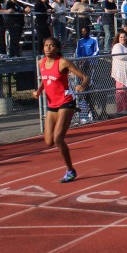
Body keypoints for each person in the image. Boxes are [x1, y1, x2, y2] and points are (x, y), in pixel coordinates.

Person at [33, 37, 88, 183]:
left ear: (57, 48)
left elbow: (85, 77)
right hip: (52, 104)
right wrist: (39, 91)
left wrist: (82, 86)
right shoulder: (41, 62)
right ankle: (69, 166)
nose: (48, 48)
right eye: (46, 45)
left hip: (66, 101)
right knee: (49, 141)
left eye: (51, 46)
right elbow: (46, 79)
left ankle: (70, 170)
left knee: (58, 138)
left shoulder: (62, 62)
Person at [74, 26, 100, 123]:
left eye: (85, 31)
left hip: (92, 65)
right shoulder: (80, 41)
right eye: (82, 31)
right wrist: (81, 60)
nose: (83, 33)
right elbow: (78, 53)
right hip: (82, 66)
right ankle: (84, 114)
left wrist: (88, 59)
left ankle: (92, 112)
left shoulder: (94, 39)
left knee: (90, 88)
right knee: (83, 91)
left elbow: (97, 51)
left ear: (88, 31)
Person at [111, 30, 127, 113]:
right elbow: (121, 57)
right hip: (120, 72)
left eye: (124, 37)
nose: (123, 38)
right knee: (120, 90)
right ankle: (120, 109)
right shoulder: (117, 46)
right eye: (121, 37)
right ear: (118, 38)